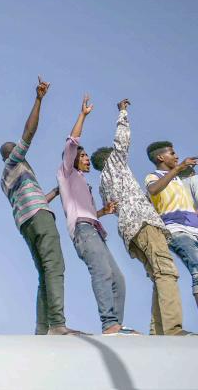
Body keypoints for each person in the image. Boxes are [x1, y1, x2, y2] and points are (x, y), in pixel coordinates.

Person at [91, 99, 189, 335]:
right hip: (144, 225)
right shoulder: (114, 165)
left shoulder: (104, 183)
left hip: (130, 233)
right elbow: (122, 140)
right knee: (166, 271)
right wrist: (122, 112)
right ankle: (173, 329)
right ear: (110, 158)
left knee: (158, 276)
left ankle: (158, 331)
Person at [0, 77, 84, 335]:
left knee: (44, 272)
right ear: (11, 153)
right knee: (55, 266)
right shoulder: (14, 163)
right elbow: (29, 133)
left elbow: (35, 200)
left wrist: (57, 191)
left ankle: (43, 328)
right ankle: (57, 324)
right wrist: (38, 99)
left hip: (28, 222)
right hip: (40, 219)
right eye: (16, 149)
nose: (21, 149)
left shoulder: (8, 180)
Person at [57, 95, 135, 335]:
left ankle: (116, 326)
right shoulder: (66, 173)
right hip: (83, 231)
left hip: (94, 230)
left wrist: (103, 211)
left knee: (118, 280)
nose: (87, 159)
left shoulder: (83, 184)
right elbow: (72, 141)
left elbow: (87, 211)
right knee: (101, 272)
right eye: (83, 156)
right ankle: (109, 324)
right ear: (72, 159)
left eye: (87, 156)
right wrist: (83, 115)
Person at [144, 140, 198, 309]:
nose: (177, 156)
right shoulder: (154, 177)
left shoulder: (181, 180)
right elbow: (152, 190)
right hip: (176, 230)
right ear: (161, 157)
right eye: (172, 153)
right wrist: (178, 168)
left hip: (194, 228)